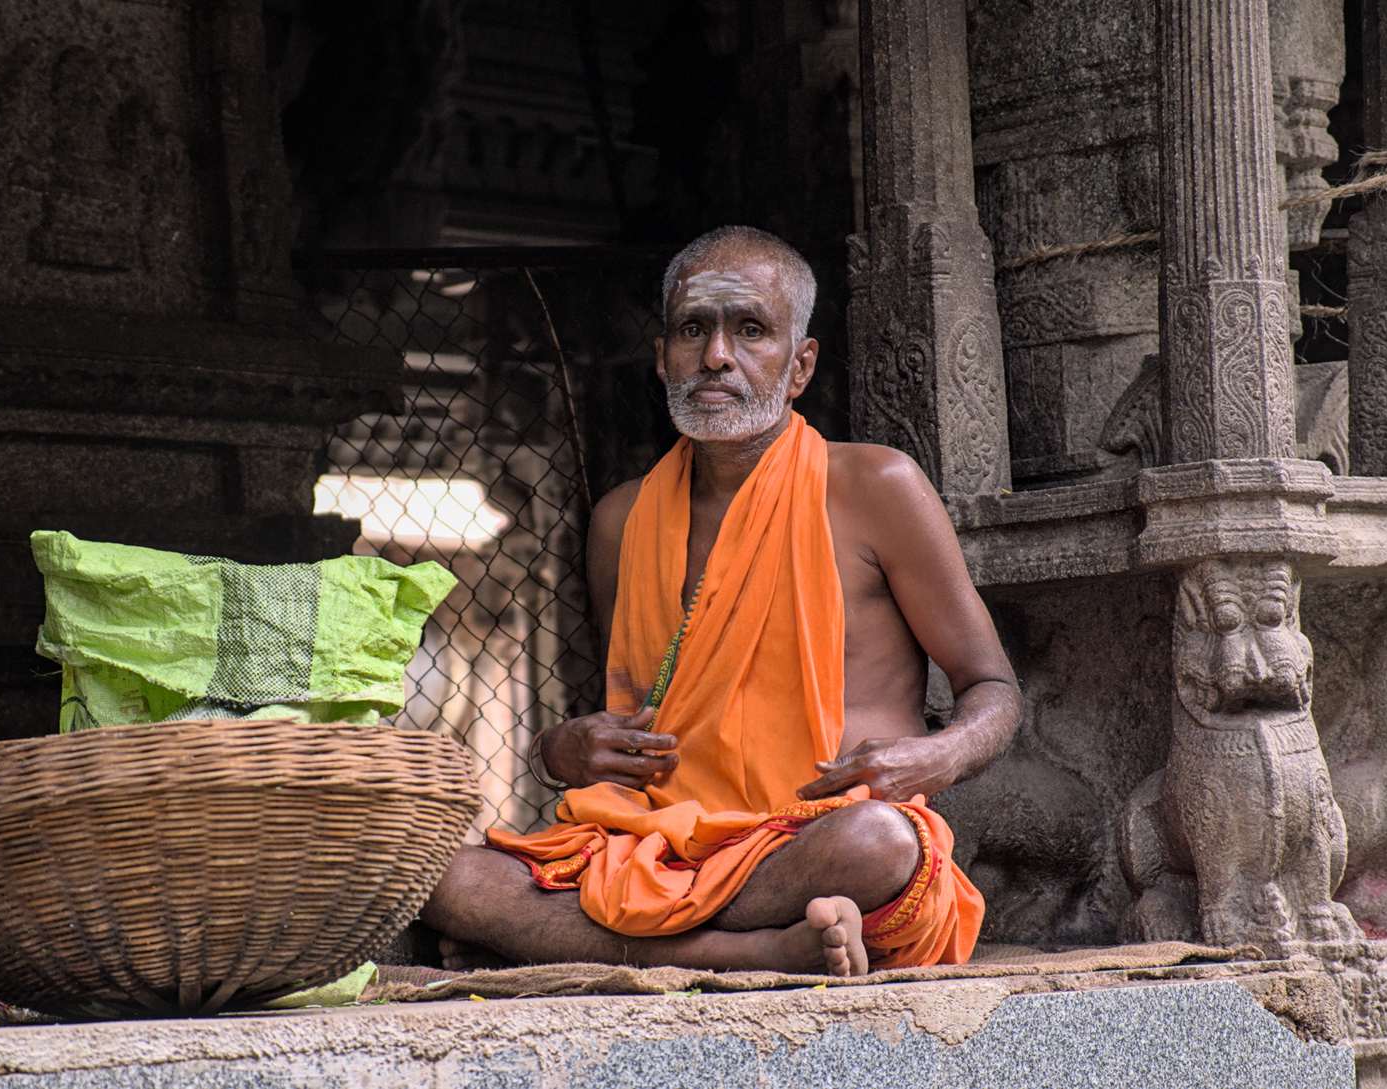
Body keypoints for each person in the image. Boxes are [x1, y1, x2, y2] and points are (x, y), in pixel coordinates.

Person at [420, 226, 1021, 976]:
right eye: (693, 329)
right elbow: (644, 712)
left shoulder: (877, 487)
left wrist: (935, 756)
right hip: (654, 843)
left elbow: (993, 688)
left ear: (800, 366)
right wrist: (558, 752)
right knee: (447, 878)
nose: (715, 356)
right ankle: (764, 950)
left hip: (812, 838)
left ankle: (580, 941)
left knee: (880, 843)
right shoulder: (621, 521)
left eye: (751, 330)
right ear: (661, 357)